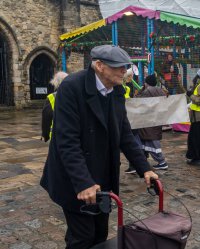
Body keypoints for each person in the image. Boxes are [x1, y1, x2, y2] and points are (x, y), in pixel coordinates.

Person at [40, 45, 158, 249]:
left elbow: (125, 134)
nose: (124, 71)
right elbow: (66, 141)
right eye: (118, 66)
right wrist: (83, 182)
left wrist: (145, 168)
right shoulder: (72, 87)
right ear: (99, 66)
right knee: (82, 237)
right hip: (75, 178)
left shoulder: (118, 90)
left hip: (103, 174)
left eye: (125, 66)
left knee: (101, 234)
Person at [135, 74, 168, 170]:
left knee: (152, 142)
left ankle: (162, 162)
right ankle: (158, 161)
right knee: (151, 140)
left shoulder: (147, 91)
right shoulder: (160, 90)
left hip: (148, 121)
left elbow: (138, 101)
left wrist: (141, 90)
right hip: (156, 119)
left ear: (147, 83)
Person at [41, 71, 68, 142]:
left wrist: (45, 135)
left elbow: (46, 119)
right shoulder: (77, 95)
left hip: (57, 135)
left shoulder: (52, 97)